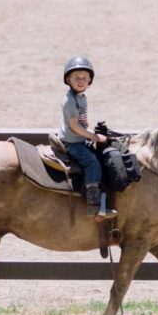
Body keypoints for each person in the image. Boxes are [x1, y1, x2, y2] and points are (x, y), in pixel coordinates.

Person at [59, 56, 116, 220]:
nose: (81, 81)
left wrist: (92, 132)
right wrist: (93, 136)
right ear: (68, 79)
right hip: (72, 142)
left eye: (84, 78)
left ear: (90, 80)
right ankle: (93, 206)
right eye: (76, 78)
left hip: (80, 138)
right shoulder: (70, 100)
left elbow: (81, 122)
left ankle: (104, 203)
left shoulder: (81, 97)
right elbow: (74, 126)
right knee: (92, 163)